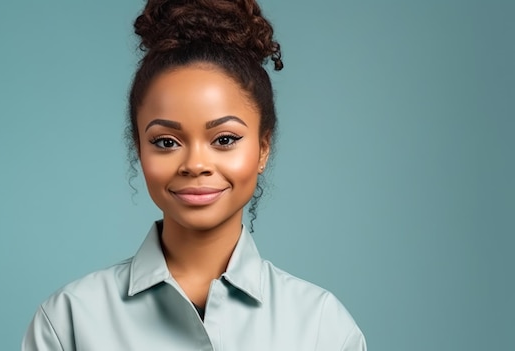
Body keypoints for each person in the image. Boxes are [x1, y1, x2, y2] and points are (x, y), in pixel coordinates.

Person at [22, 0, 366, 350]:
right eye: (167, 141)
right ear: (139, 149)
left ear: (263, 149)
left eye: (225, 139)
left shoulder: (323, 327)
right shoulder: (69, 322)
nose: (195, 164)